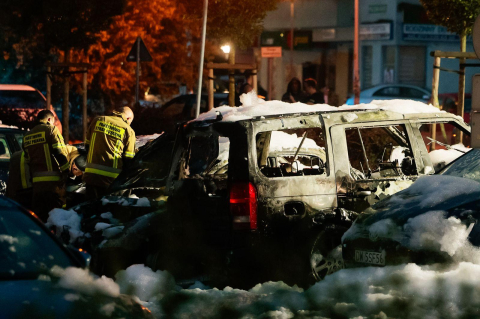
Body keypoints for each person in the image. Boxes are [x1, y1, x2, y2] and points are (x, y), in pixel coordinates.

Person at [22, 110, 70, 221]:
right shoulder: (51, 130)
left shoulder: (27, 136)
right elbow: (59, 152)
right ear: (49, 119)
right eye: (53, 121)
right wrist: (66, 171)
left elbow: (28, 161)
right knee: (57, 216)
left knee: (40, 218)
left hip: (37, 186)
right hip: (52, 184)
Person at [83, 106, 136, 200]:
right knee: (107, 212)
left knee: (90, 209)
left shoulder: (98, 120)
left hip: (91, 177)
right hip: (112, 181)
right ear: (128, 118)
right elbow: (128, 159)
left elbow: (87, 146)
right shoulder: (128, 130)